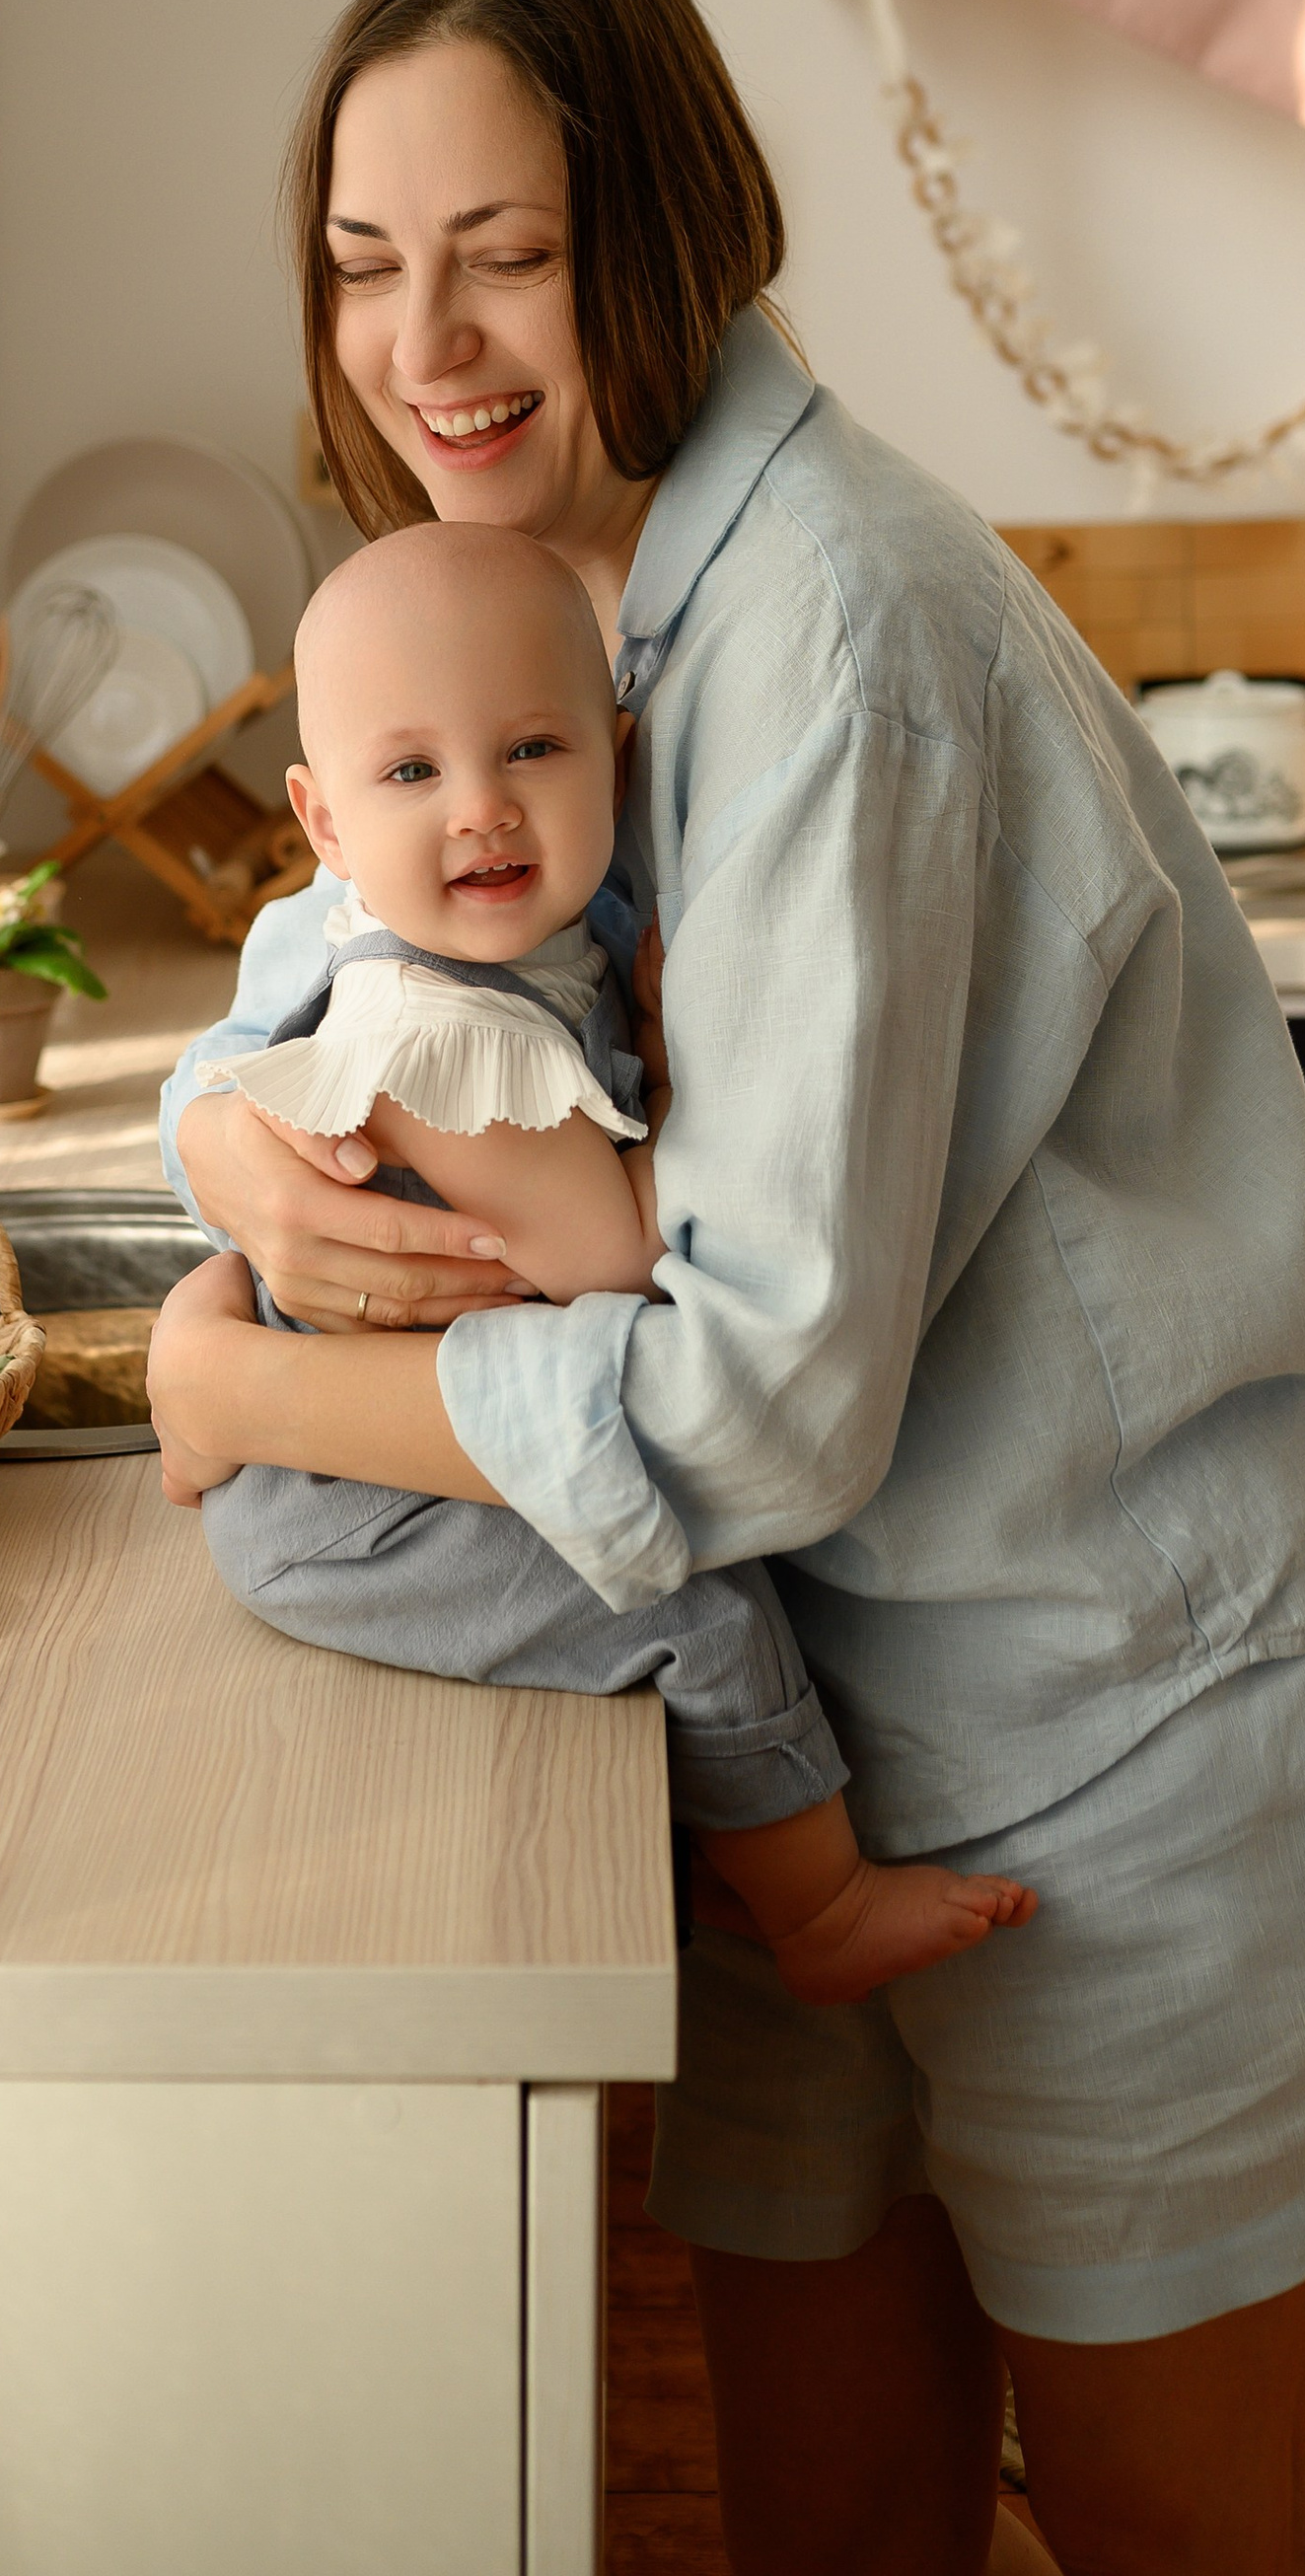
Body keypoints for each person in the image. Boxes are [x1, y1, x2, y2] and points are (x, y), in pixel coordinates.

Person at [152, 0, 1305, 2576]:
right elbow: (344, 954)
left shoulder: (835, 635)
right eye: (365, 258)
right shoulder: (566, 589)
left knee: (1159, 2535)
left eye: (502, 247)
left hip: (1112, 1723)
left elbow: (754, 1394)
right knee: (831, 2520)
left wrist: (259, 1396)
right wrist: (215, 1149)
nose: (429, 340)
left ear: (669, 227)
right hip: (803, 1730)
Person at [173, 517, 1038, 2004]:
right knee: (692, 1609)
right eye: (411, 773)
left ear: (616, 759)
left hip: (388, 1450)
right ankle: (817, 1914)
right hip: (359, 1508)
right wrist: (693, 1072)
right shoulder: (438, 1039)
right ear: (323, 827)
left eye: (532, 751)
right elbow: (614, 1262)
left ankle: (745, 1857)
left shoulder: (521, 943)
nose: (482, 812)